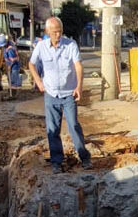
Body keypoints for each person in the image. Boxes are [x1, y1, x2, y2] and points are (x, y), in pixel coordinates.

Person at [28, 17, 92, 173]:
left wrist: (79, 86)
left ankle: (84, 158)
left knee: (74, 125)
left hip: (69, 92)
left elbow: (78, 66)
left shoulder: (70, 45)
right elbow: (31, 64)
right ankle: (56, 161)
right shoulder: (41, 46)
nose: (58, 35)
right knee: (53, 128)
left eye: (60, 31)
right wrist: (39, 82)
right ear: (48, 32)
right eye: (55, 32)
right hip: (51, 93)